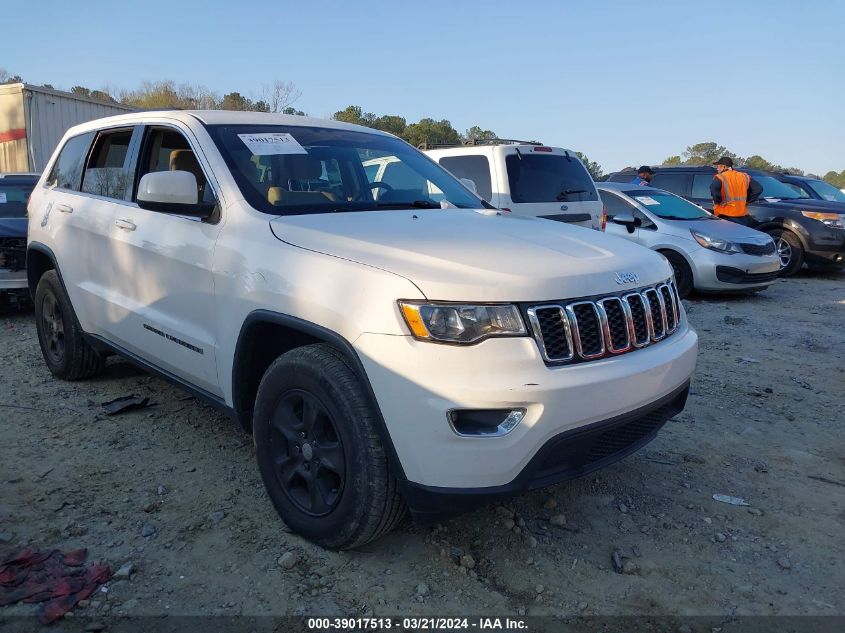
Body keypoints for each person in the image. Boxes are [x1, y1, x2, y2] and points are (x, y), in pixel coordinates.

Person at [710, 157, 762, 226]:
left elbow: (713, 189)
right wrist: (747, 200)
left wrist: (718, 201)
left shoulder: (720, 177)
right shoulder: (744, 176)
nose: (717, 169)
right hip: (742, 217)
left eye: (718, 166)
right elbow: (758, 189)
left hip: (725, 216)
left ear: (724, 167)